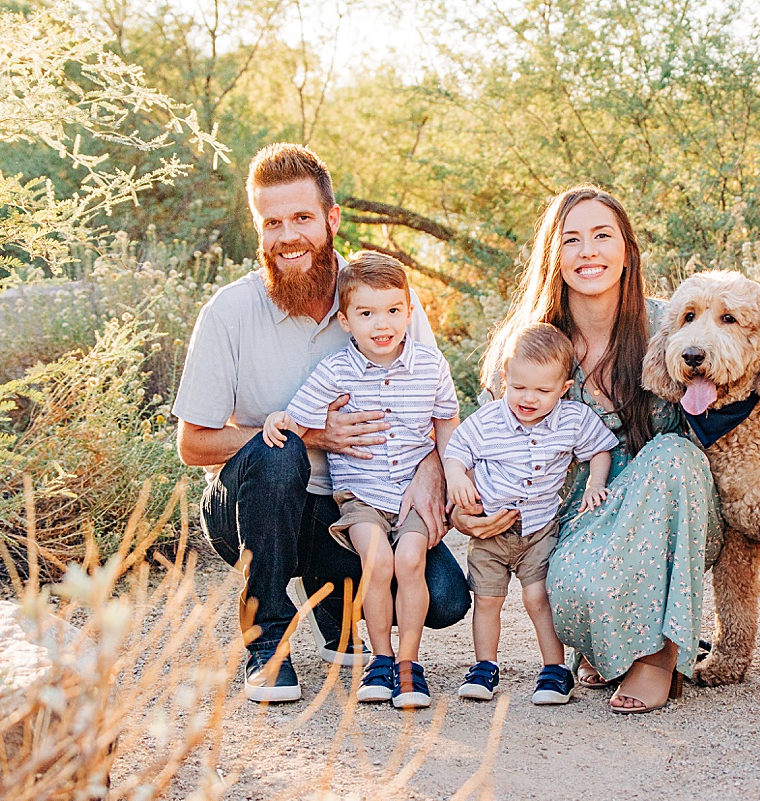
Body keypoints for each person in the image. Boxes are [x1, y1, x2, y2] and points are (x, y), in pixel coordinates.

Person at [172, 143, 470, 704]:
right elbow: (192, 443)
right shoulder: (229, 312)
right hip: (255, 506)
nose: (288, 237)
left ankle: (337, 598)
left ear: (331, 220)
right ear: (258, 230)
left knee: (449, 598)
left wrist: (432, 472)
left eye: (302, 218)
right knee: (278, 450)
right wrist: (312, 435)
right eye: (272, 223)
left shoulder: (383, 300)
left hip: (356, 499)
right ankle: (267, 641)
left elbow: (434, 407)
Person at [452, 184, 723, 714]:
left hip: (671, 513)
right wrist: (469, 513)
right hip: (573, 521)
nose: (588, 251)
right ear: (554, 254)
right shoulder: (529, 344)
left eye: (603, 236)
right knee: (572, 590)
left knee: (675, 453)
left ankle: (658, 656)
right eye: (571, 240)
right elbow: (484, 442)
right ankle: (608, 641)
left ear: (627, 249)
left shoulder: (675, 324)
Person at [263, 251, 460, 709]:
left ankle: (409, 666)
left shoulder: (431, 366)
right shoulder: (336, 371)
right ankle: (380, 660)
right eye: (367, 313)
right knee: (379, 561)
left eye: (393, 310)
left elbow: (447, 422)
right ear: (346, 320)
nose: (382, 323)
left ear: (410, 311)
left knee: (410, 560)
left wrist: (453, 478)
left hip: (410, 495)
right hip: (362, 496)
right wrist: (279, 418)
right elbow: (300, 418)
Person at [443, 322, 618, 706]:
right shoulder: (488, 421)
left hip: (539, 528)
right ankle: (484, 666)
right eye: (519, 387)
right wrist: (456, 478)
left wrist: (595, 483)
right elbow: (457, 451)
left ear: (564, 389)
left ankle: (554, 670)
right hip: (490, 531)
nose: (529, 398)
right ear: (505, 378)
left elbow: (599, 449)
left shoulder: (572, 419)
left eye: (543, 390)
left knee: (538, 596)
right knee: (487, 599)